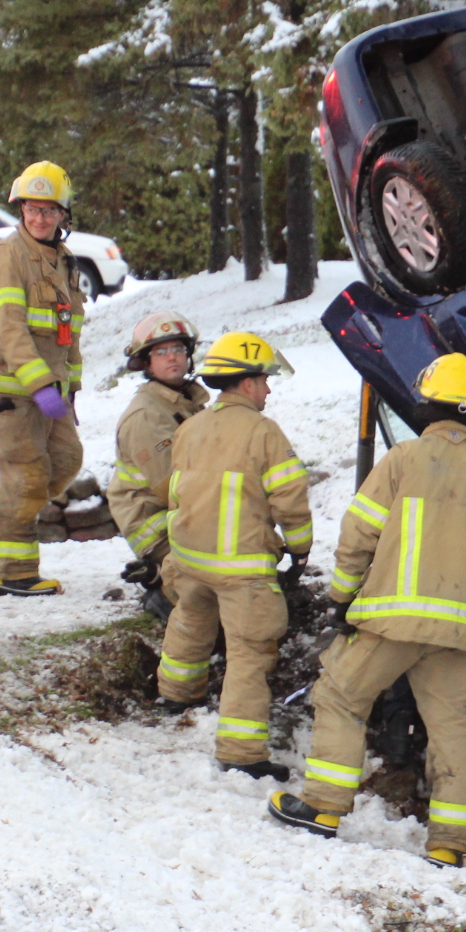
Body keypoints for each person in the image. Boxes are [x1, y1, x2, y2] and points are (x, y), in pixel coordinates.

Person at [269, 354, 466, 867]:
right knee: (453, 727)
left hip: (393, 621)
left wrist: (342, 598)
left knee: (341, 696)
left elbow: (358, 533)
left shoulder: (404, 459)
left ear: (428, 406)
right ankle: (450, 843)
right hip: (463, 631)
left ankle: (322, 807)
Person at [154, 332, 312, 779]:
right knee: (250, 653)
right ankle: (241, 752)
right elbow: (290, 501)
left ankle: (176, 694)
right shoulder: (264, 432)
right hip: (241, 570)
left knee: (190, 622)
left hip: (190, 558)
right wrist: (299, 550)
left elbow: (175, 492)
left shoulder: (191, 426)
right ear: (246, 382)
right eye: (264, 381)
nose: (268, 390)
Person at [0, 161, 86, 597]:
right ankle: (13, 572)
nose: (39, 218)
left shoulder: (62, 260)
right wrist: (40, 384)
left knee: (65, 461)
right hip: (10, 391)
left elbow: (68, 332)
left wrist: (70, 388)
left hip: (50, 391)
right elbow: (7, 328)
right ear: (20, 208)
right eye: (31, 208)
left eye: (48, 210)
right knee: (26, 478)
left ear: (63, 214)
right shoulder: (6, 257)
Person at [106, 311, 207, 614]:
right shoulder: (147, 416)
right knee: (218, 585)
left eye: (178, 349)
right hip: (157, 526)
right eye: (160, 352)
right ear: (146, 364)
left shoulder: (184, 402)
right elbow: (173, 490)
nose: (172, 357)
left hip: (182, 516)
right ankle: (166, 586)